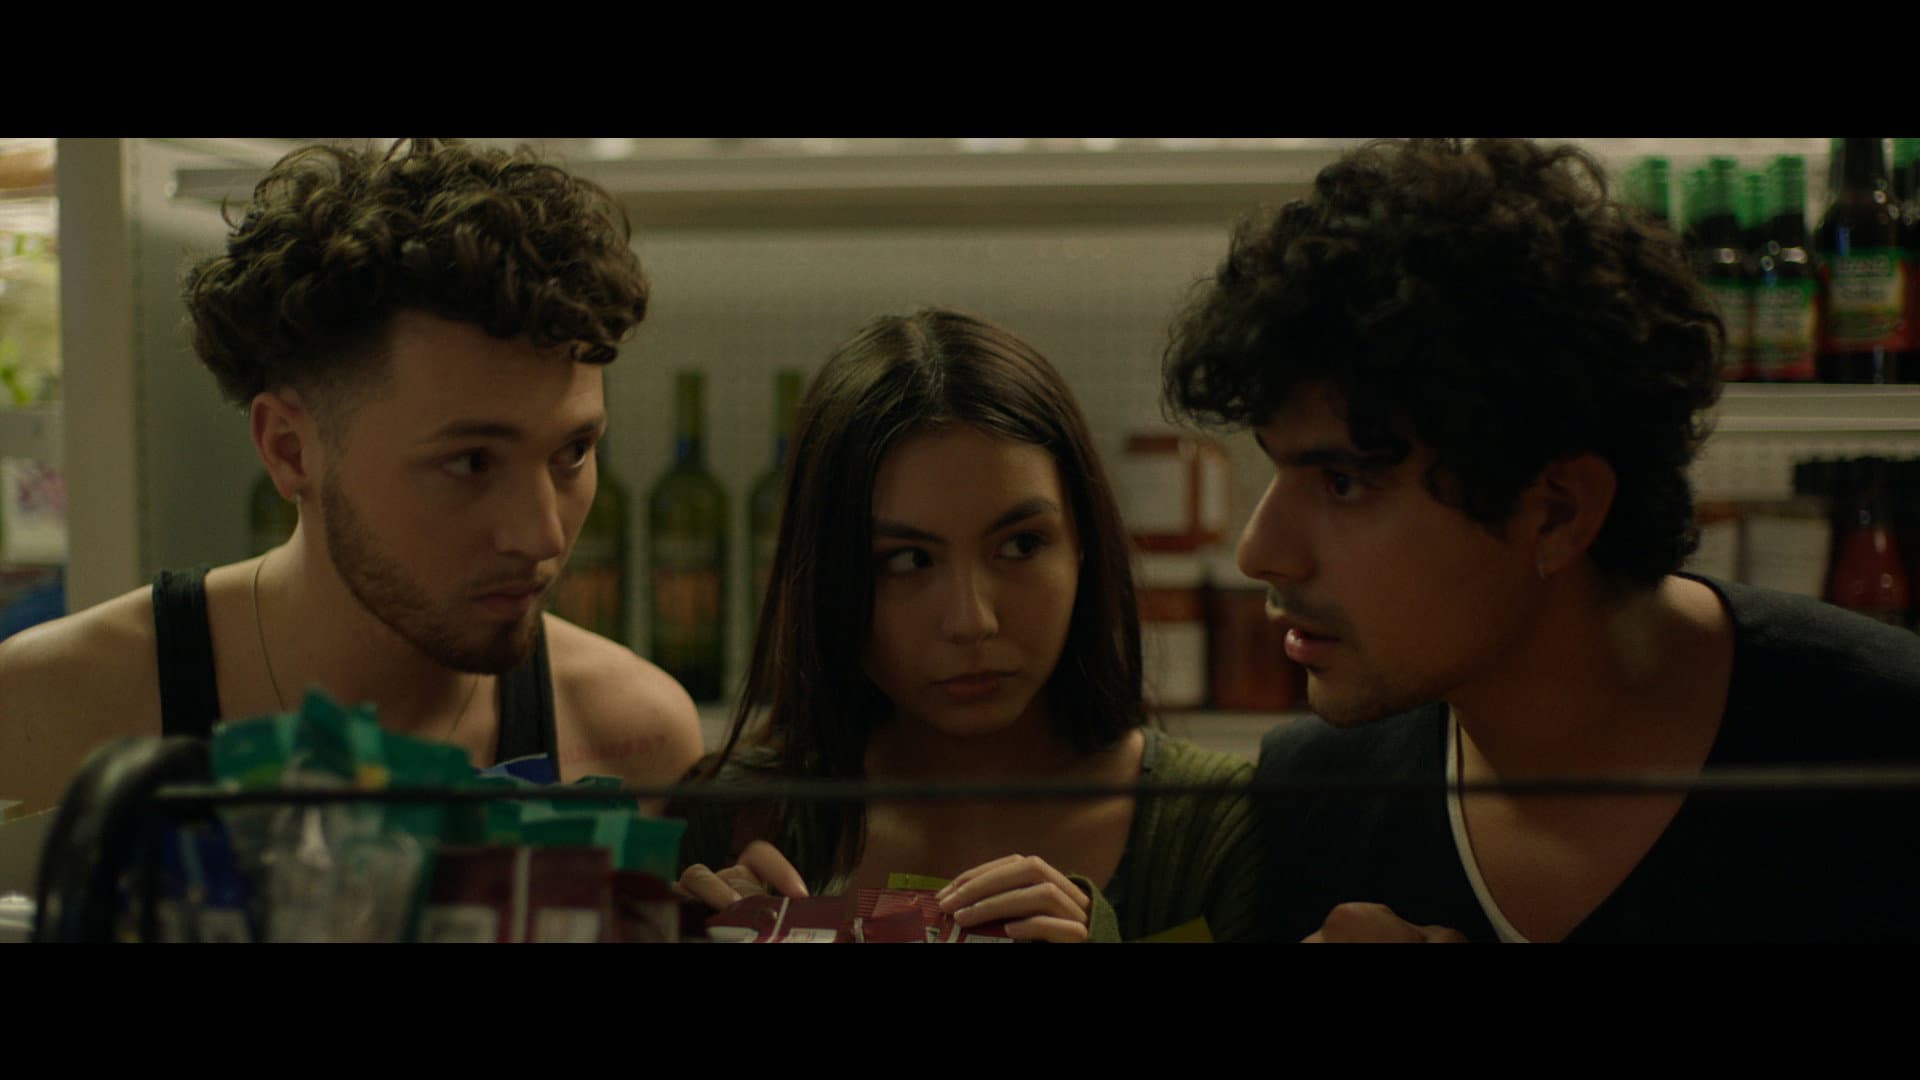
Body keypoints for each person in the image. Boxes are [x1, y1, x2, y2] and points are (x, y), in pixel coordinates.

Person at [1162, 137, 1920, 943]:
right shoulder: (1311, 797)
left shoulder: (1883, 743)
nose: (1260, 553)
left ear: (1557, 512)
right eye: (1276, 469)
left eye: (1343, 482)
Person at [0, 139, 703, 813]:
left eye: (573, 451)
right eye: (470, 462)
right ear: (288, 449)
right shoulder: (47, 714)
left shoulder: (635, 741)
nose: (542, 534)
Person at [670, 307, 1258, 942]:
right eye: (906, 560)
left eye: (1020, 545)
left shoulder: (1215, 826)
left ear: (1084, 544)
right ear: (826, 578)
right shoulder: (732, 819)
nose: (971, 620)